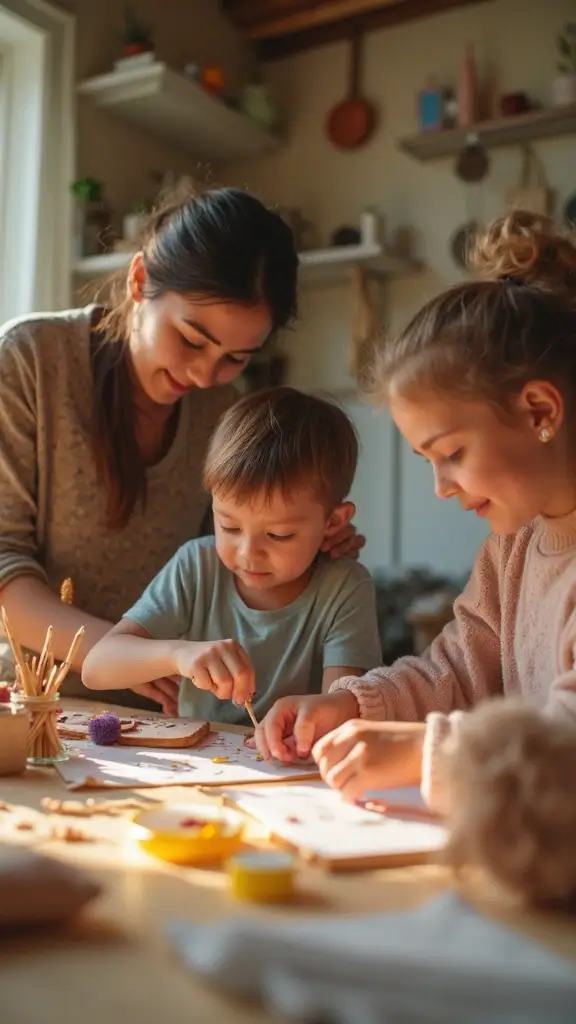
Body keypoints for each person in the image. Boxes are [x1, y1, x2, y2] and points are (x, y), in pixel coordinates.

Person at [255, 210, 576, 808]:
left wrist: (421, 753)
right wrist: (349, 704)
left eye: (451, 453)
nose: (441, 486)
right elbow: (455, 670)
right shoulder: (513, 546)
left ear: (539, 411)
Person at [0, 186, 363, 713]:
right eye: (192, 339)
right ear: (141, 279)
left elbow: (226, 568)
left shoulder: (223, 410)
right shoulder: (30, 361)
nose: (204, 373)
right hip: (29, 706)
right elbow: (4, 568)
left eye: (235, 357)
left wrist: (302, 539)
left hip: (164, 722)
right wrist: (138, 654)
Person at [82, 387, 382, 726]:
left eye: (278, 535)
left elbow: (338, 716)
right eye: (229, 526)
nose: (247, 554)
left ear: (334, 522)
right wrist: (178, 655)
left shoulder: (345, 589)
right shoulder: (196, 567)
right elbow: (97, 668)